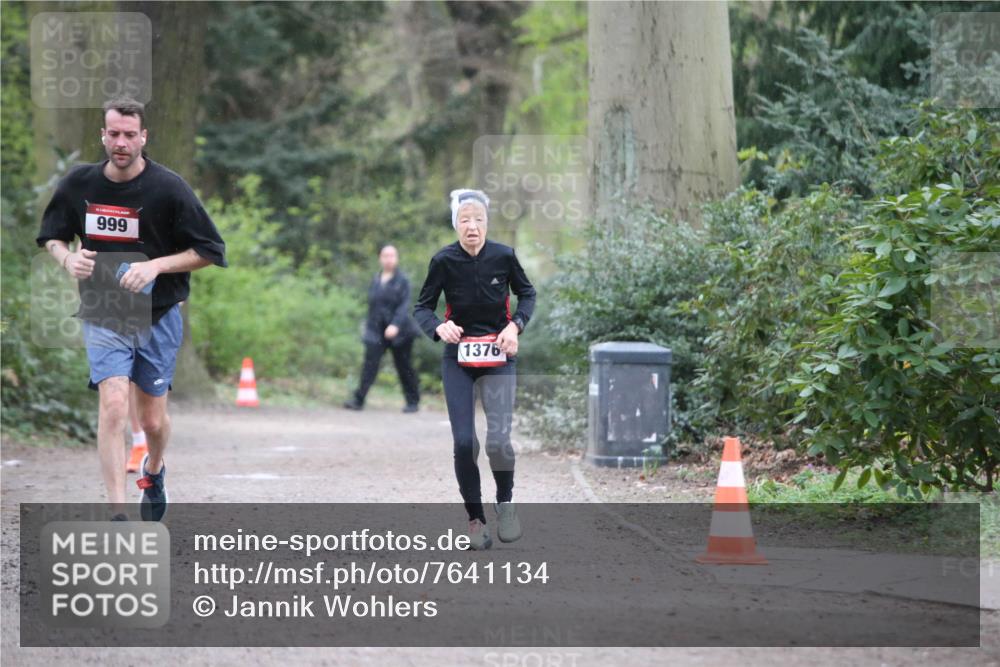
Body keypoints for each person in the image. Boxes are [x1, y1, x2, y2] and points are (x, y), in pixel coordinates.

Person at [36, 97, 227, 521]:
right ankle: (118, 513)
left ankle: (154, 471)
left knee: (152, 420)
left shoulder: (169, 188)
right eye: (114, 134)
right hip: (105, 310)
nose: (121, 142)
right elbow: (51, 236)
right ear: (103, 135)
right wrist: (67, 258)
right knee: (114, 404)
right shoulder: (79, 184)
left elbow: (211, 250)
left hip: (158, 313)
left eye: (129, 135)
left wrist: (157, 266)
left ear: (144, 137)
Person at [414, 189, 536, 549]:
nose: (472, 226)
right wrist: (438, 327)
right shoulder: (443, 261)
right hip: (459, 359)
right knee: (465, 442)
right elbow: (421, 308)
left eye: (478, 220)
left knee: (498, 440)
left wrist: (516, 327)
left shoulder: (504, 256)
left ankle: (505, 504)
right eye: (465, 220)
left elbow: (527, 294)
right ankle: (475, 520)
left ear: (486, 224)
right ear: (456, 225)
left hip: (499, 356)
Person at [344, 245, 421, 412]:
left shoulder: (403, 281)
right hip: (376, 331)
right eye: (385, 256)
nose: (389, 259)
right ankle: (358, 399)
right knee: (369, 364)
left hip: (401, 331)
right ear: (380, 258)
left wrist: (395, 325)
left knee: (404, 366)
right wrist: (368, 329)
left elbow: (404, 306)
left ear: (397, 258)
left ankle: (412, 401)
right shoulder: (376, 279)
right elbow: (373, 307)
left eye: (392, 255)